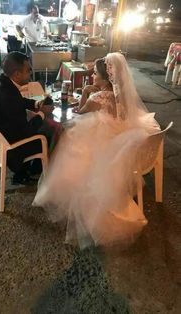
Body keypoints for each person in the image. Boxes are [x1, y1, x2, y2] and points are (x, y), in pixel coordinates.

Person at [33, 52, 160, 249]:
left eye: (95, 74)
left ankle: (74, 189)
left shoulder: (98, 96)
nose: (92, 76)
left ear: (104, 77)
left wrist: (85, 92)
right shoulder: (121, 98)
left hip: (104, 142)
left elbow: (80, 111)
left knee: (71, 140)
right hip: (118, 139)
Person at [0, 52, 53, 185]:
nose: (30, 73)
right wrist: (42, 114)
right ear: (17, 74)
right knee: (47, 134)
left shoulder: (1, 82)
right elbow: (25, 132)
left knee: (39, 126)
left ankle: (25, 172)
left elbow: (18, 100)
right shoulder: (8, 96)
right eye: (28, 70)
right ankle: (28, 172)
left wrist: (35, 104)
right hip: (7, 148)